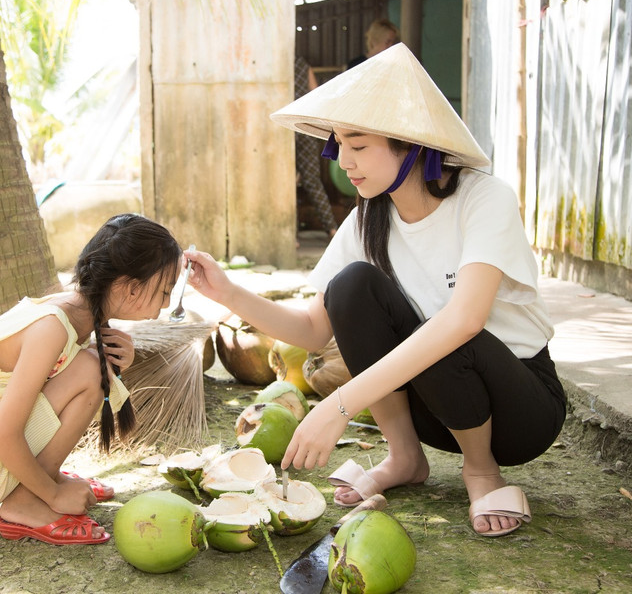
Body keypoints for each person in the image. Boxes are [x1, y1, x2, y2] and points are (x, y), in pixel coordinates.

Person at [184, 43, 566, 537]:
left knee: (447, 328)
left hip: (520, 410)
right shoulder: (369, 217)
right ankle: (405, 456)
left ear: (411, 144)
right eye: (339, 144)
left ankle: (481, 470)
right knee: (351, 287)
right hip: (438, 411)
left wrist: (338, 406)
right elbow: (313, 329)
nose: (344, 160)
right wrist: (228, 293)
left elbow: (465, 320)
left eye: (359, 146)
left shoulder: (484, 198)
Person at [0, 214, 182, 545]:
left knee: (93, 366)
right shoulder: (52, 327)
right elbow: (3, 435)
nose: (166, 304)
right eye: (164, 291)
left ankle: (41, 477)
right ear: (131, 287)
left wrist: (120, 357)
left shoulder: (74, 311)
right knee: (92, 370)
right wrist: (54, 495)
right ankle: (24, 501)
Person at [295, 56, 338, 236]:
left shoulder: (270, 64)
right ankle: (332, 229)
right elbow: (315, 95)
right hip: (303, 125)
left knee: (285, 183)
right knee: (312, 180)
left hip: (282, 127)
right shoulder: (302, 64)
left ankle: (290, 234)